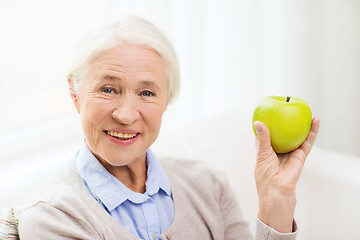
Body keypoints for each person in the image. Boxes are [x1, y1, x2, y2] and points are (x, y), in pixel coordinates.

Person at [16, 16, 320, 240]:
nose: (125, 115)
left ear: (166, 101)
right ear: (75, 95)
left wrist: (275, 200)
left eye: (147, 93)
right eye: (108, 89)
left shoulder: (208, 185)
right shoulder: (50, 218)